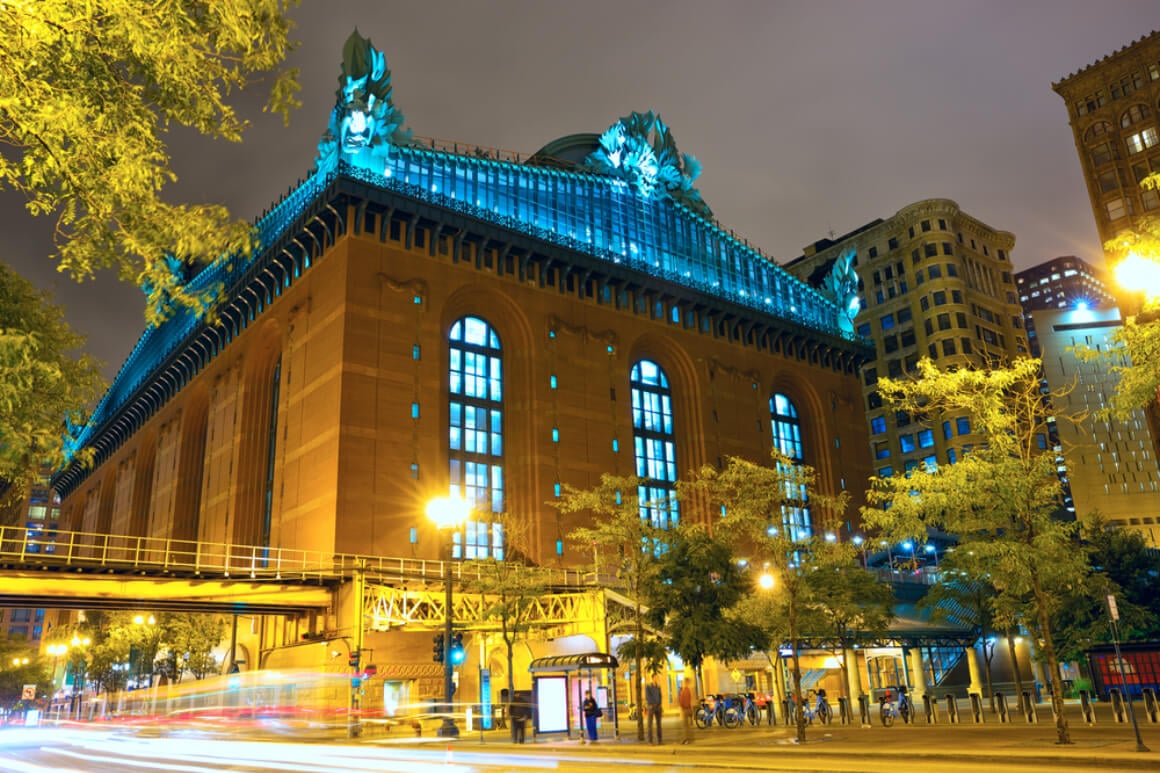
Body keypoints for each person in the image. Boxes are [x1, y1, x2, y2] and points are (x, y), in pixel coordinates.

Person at [645, 675, 663, 744]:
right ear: (652, 678)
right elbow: (648, 696)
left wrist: (660, 704)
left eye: (657, 678)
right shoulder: (648, 686)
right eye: (655, 678)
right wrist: (651, 704)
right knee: (650, 724)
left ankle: (660, 740)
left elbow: (660, 696)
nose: (656, 679)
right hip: (651, 707)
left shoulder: (658, 687)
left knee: (659, 724)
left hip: (658, 707)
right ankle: (650, 740)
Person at [677, 680, 694, 744]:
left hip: (685, 709)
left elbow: (683, 701)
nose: (682, 683)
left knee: (685, 725)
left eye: (683, 682)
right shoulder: (687, 690)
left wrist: (681, 706)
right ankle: (687, 738)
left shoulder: (685, 691)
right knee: (686, 725)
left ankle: (686, 739)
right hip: (687, 709)